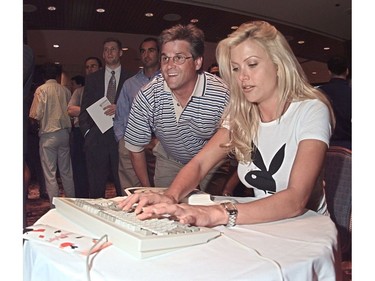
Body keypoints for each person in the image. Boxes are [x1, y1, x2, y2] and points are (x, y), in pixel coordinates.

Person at [119, 20, 335, 228]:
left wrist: (216, 214)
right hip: (265, 225)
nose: (243, 77)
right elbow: (199, 164)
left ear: (279, 64)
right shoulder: (243, 113)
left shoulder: (311, 110)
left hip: (307, 227)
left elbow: (296, 199)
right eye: (236, 69)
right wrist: (169, 197)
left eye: (252, 64)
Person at [123, 24, 231, 193]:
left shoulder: (221, 94)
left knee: (210, 211)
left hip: (212, 164)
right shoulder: (148, 96)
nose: (169, 65)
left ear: (197, 62)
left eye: (179, 58)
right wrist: (148, 189)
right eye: (165, 58)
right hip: (170, 160)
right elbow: (135, 149)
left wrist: (228, 188)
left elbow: (240, 145)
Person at [79, 38, 131, 198]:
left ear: (120, 52)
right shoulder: (93, 78)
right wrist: (87, 133)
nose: (109, 52)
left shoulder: (131, 79)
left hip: (122, 139)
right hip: (96, 138)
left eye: (113, 49)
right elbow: (84, 109)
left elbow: (138, 109)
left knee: (123, 186)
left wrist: (121, 109)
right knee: (96, 187)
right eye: (106, 49)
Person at [114, 37, 160, 189]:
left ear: (159, 54)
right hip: (131, 142)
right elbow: (121, 113)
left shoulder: (168, 81)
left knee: (161, 187)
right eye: (143, 51)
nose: (146, 55)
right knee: (131, 189)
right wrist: (121, 139)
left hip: (160, 143)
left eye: (151, 50)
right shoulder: (130, 83)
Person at [29, 63, 75, 207]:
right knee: (66, 171)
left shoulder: (41, 90)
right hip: (64, 133)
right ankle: (71, 202)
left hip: (48, 134)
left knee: (50, 174)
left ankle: (55, 206)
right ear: (57, 75)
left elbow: (35, 114)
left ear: (43, 75)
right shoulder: (65, 90)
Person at [67, 58, 102, 198]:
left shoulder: (105, 89)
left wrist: (82, 111)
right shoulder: (80, 91)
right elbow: (70, 110)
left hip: (99, 133)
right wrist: (94, 111)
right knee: (80, 169)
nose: (90, 69)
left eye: (93, 66)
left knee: (97, 171)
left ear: (100, 69)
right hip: (79, 133)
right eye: (87, 67)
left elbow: (109, 112)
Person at [318, 55, 351, 150]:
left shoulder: (319, 93)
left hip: (325, 145)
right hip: (349, 146)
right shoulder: (351, 92)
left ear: (329, 72)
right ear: (347, 71)